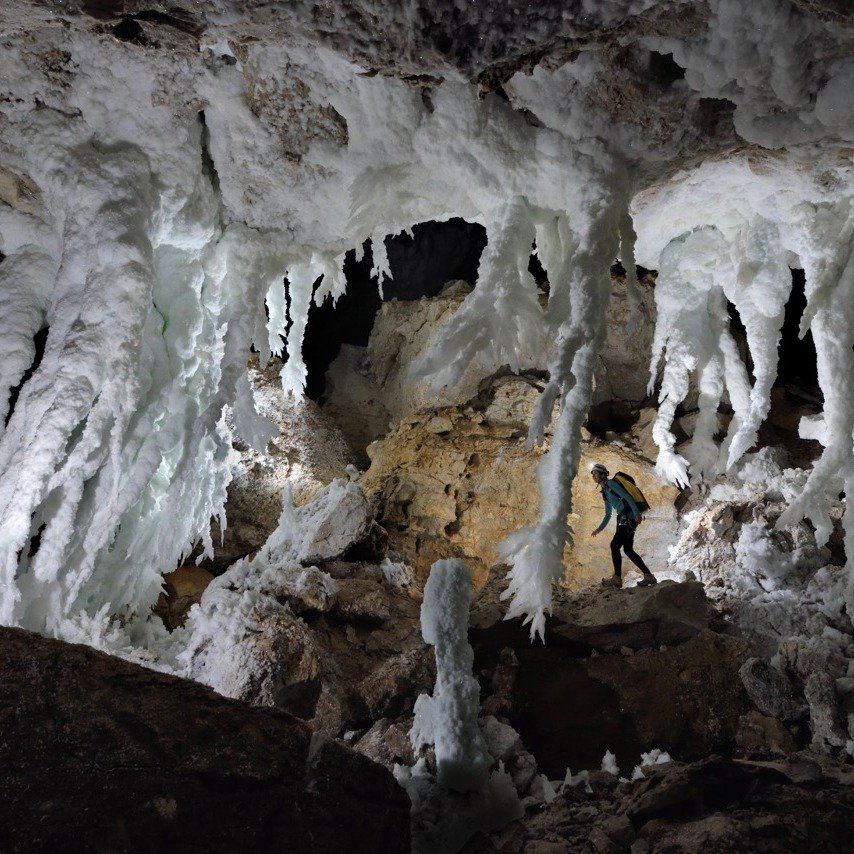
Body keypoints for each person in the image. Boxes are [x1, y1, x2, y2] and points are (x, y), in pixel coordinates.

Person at [589, 462, 657, 589]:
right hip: (623, 518)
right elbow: (608, 514)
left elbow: (627, 496)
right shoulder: (604, 492)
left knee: (614, 545)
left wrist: (637, 514)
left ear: (603, 474)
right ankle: (649, 576)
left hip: (629, 517)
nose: (593, 476)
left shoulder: (610, 484)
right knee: (628, 549)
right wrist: (599, 529)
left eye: (595, 473)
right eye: (592, 474)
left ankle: (617, 579)